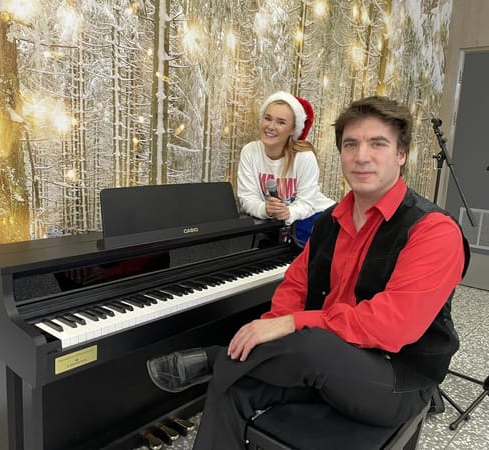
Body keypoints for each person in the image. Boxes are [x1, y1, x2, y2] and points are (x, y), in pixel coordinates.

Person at [146, 96, 470, 450]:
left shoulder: (433, 230)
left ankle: (216, 357)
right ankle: (226, 365)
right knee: (234, 383)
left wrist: (289, 325)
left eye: (378, 143)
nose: (362, 156)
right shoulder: (329, 221)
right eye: (351, 144)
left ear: (401, 154)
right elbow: (295, 287)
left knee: (310, 339)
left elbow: (392, 327)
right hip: (323, 363)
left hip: (397, 378)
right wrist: (268, 328)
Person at [236, 91, 335, 247]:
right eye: (267, 118)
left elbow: (307, 203)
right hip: (281, 224)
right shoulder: (250, 152)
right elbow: (247, 197)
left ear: (292, 129)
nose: (271, 126)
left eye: (281, 122)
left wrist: (290, 212)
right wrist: (264, 209)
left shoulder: (304, 157)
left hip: (317, 218)